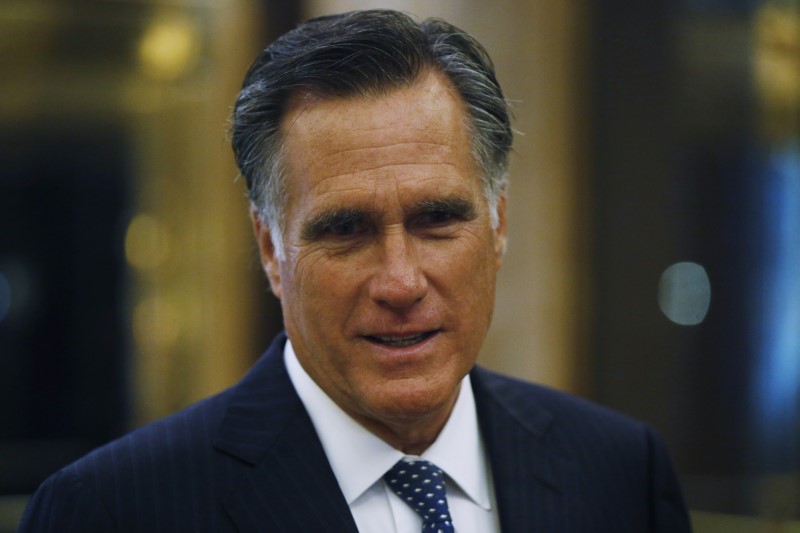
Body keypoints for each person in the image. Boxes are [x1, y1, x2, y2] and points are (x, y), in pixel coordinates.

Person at [19, 9, 692, 532]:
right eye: (345, 230)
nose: (400, 282)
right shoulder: (114, 510)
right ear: (270, 249)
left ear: (498, 226)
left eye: (436, 220)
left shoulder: (618, 471)